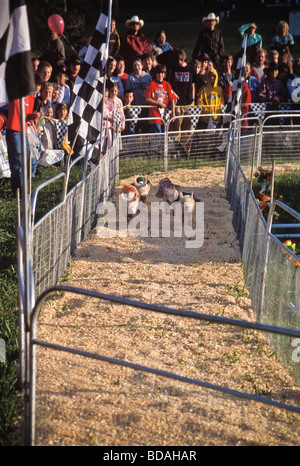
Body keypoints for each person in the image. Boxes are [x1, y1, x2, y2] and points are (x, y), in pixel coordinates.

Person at [6, 94, 38, 194]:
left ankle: (25, 187)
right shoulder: (13, 91)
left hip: (23, 131)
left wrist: (33, 116)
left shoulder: (31, 97)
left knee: (27, 159)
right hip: (13, 130)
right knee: (17, 160)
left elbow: (26, 116)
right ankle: (18, 189)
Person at [169, 48, 196, 155]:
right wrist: (173, 94)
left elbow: (193, 85)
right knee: (177, 130)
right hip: (177, 104)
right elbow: (169, 86)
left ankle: (186, 153)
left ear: (184, 58)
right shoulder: (173, 69)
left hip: (189, 103)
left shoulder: (191, 69)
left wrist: (193, 99)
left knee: (189, 130)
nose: (179, 61)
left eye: (181, 59)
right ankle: (176, 153)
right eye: (177, 60)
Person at [143, 64, 176, 133]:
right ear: (155, 74)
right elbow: (147, 99)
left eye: (162, 73)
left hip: (165, 114)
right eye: (158, 73)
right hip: (155, 114)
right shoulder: (151, 84)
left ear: (164, 75)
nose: (160, 75)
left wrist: (173, 113)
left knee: (165, 134)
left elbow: (172, 99)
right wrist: (159, 104)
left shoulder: (167, 84)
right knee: (157, 134)